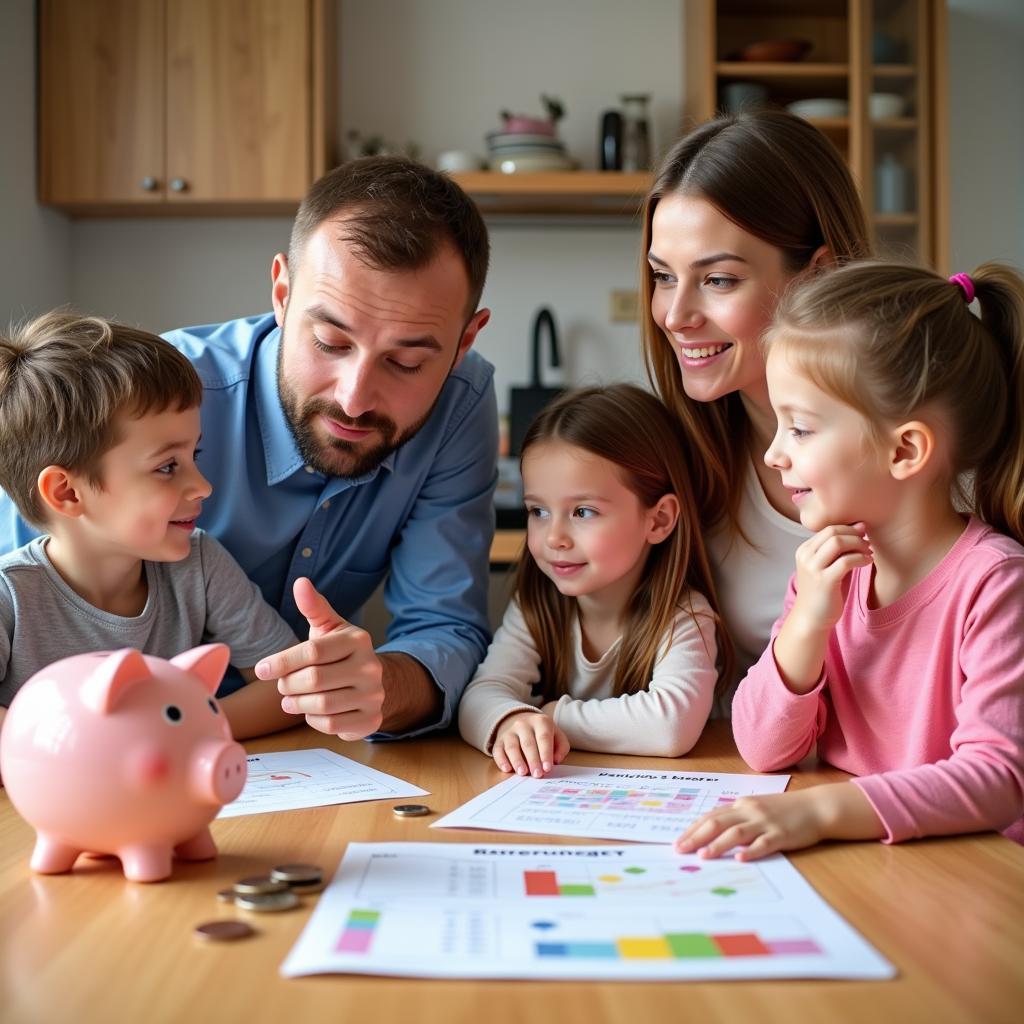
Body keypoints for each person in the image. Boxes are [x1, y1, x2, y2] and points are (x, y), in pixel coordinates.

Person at [0, 156, 498, 742]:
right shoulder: (145, 402)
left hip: (275, 749)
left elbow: (445, 625)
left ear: (464, 342)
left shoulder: (461, 403)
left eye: (406, 362)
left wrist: (379, 686)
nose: (356, 398)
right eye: (329, 341)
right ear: (282, 293)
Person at [676, 261, 1024, 860]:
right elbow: (763, 748)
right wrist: (808, 624)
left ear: (905, 449)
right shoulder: (826, 573)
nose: (775, 453)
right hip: (868, 863)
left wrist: (817, 811)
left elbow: (999, 781)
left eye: (802, 429)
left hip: (970, 876)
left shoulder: (996, 584)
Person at [639, 110, 872, 704]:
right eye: (663, 276)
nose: (674, 314)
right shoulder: (685, 464)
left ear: (817, 276)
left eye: (717, 280)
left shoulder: (928, 455)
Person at [0, 313, 301, 746]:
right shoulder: (9, 597)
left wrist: (168, 730)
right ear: (66, 492)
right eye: (167, 467)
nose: (202, 486)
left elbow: (286, 686)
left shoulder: (200, 565)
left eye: (194, 455)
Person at [458, 384, 727, 776]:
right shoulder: (537, 606)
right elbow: (480, 696)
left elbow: (671, 727)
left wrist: (550, 715)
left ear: (659, 520)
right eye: (538, 511)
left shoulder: (684, 614)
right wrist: (509, 720)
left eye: (583, 512)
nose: (554, 538)